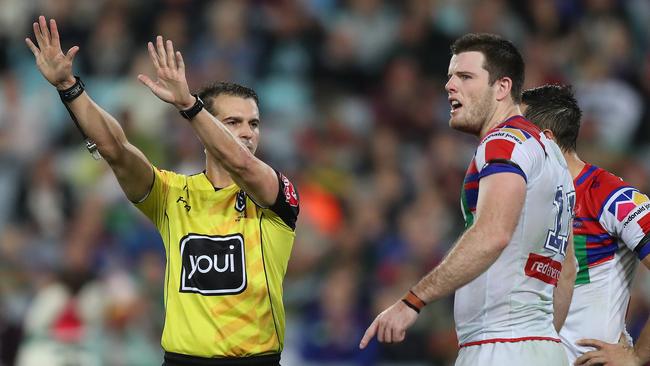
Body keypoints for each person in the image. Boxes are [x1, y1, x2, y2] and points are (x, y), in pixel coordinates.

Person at [26, 16, 299, 366]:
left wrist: (189, 105)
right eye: (233, 122)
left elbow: (243, 166)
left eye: (254, 123)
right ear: (205, 130)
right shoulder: (172, 193)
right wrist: (69, 87)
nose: (247, 132)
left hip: (254, 360)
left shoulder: (277, 194)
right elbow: (117, 150)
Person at [358, 33, 576, 365]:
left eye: (465, 76)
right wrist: (539, 343)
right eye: (449, 77)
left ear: (502, 88)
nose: (450, 86)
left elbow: (491, 234)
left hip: (498, 346)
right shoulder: (554, 157)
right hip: (543, 346)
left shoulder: (502, 143)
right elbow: (567, 270)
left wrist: (411, 301)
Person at [522, 84, 650, 366]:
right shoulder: (526, 202)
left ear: (545, 139)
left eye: (516, 136)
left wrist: (637, 356)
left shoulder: (610, 195)